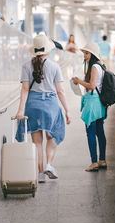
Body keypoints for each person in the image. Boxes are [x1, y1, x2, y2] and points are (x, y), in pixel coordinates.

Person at [15, 34, 71, 183]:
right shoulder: (54, 66)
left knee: (37, 142)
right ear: (48, 50)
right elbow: (60, 91)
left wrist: (21, 110)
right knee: (52, 136)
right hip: (50, 105)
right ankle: (49, 165)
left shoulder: (26, 66)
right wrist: (67, 110)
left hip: (32, 106)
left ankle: (40, 174)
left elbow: (25, 89)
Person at [72, 42, 107, 171]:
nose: (85, 55)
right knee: (100, 132)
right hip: (99, 103)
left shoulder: (94, 67)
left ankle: (94, 162)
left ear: (92, 54)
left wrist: (78, 81)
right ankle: (102, 160)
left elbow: (92, 86)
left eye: (87, 53)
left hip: (92, 103)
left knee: (90, 132)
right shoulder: (100, 66)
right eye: (84, 53)